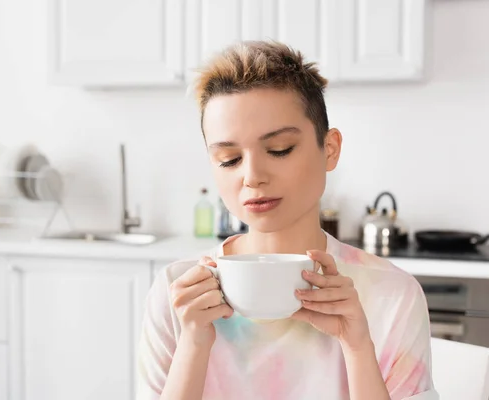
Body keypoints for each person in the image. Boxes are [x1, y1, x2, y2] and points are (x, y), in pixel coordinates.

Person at [136, 41, 438, 400]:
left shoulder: (391, 296)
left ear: (330, 149)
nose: (252, 176)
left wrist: (357, 348)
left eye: (279, 150)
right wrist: (193, 346)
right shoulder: (179, 295)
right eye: (230, 159)